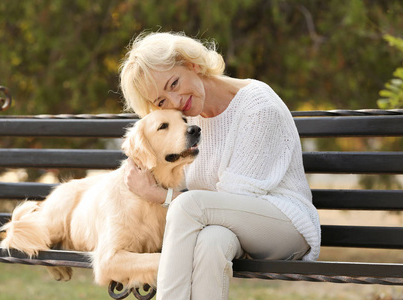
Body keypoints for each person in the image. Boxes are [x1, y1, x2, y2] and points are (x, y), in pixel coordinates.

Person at [119, 31, 321, 300]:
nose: (176, 101)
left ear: (192, 64)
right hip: (229, 228)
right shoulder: (191, 122)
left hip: (285, 226)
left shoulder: (257, 106)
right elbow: (215, 210)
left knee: (187, 206)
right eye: (161, 102)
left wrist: (159, 196)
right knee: (211, 242)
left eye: (174, 83)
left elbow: (231, 200)